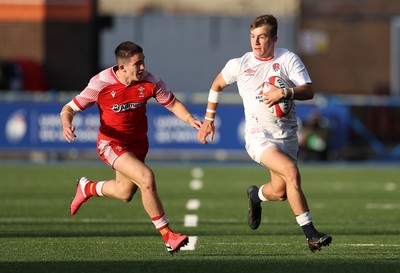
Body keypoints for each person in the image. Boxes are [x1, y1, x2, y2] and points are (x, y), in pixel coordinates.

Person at [197, 14, 332, 253]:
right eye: (252, 37)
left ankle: (256, 196)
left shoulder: (287, 58)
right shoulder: (239, 64)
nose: (256, 42)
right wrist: (209, 120)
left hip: (287, 136)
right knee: (292, 172)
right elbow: (216, 85)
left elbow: (308, 91)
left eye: (262, 37)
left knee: (279, 192)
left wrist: (285, 93)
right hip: (259, 136)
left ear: (274, 39)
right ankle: (311, 235)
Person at [60, 41, 201, 254]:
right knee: (146, 178)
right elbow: (68, 108)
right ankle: (168, 236)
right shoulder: (101, 84)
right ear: (122, 67)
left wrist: (190, 120)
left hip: (138, 144)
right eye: (138, 64)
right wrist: (66, 122)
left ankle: (87, 188)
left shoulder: (151, 82)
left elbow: (172, 104)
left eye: (143, 62)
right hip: (111, 143)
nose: (143, 67)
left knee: (124, 193)